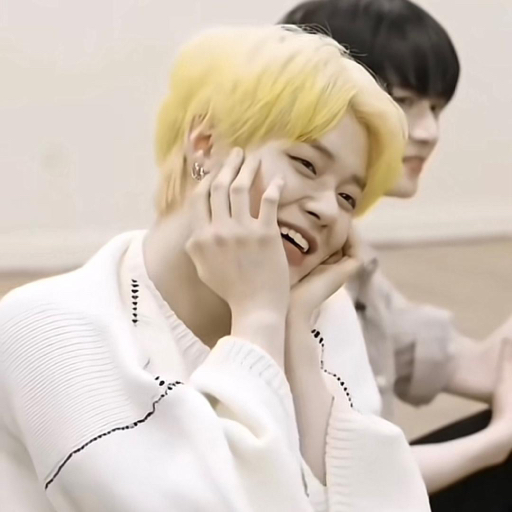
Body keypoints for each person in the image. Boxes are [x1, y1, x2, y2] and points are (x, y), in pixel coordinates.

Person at [0, 25, 430, 512]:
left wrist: (293, 334)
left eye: (348, 196)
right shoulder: (48, 326)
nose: (328, 209)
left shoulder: (319, 316)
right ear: (205, 144)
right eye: (307, 164)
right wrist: (258, 317)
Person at [280, 0, 512, 508]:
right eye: (405, 102)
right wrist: (493, 444)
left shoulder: (350, 251)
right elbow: (331, 477)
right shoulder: (287, 250)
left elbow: (474, 364)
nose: (428, 132)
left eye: (436, 108)